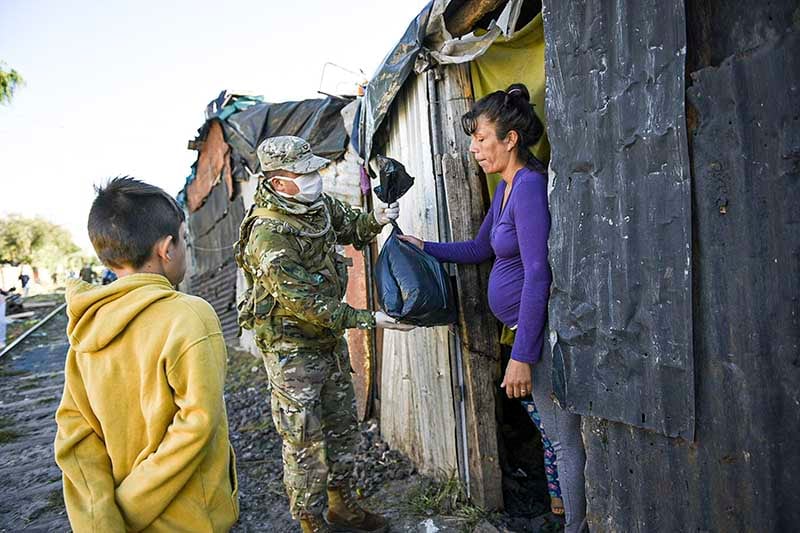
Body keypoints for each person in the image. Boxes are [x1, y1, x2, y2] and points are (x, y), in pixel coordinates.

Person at [400, 83, 586, 532]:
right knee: (549, 434)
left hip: (535, 335)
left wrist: (522, 355)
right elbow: (480, 247)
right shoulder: (504, 189)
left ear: (510, 139)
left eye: (481, 138)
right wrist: (424, 247)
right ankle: (563, 515)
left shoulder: (527, 187)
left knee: (564, 440)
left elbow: (539, 272)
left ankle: (580, 525)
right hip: (524, 331)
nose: (474, 148)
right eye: (474, 140)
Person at [236, 136, 413, 533]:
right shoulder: (268, 234)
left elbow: (350, 225)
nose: (315, 178)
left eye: (316, 170)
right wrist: (370, 320)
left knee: (340, 425)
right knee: (303, 441)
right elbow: (304, 303)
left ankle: (342, 507)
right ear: (279, 182)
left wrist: (378, 219)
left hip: (326, 340)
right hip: (290, 349)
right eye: (305, 173)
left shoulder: (314, 206)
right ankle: (310, 521)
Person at [54, 177, 239, 532]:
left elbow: (76, 438)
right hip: (192, 521)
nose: (184, 248)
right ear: (166, 248)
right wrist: (131, 507)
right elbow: (196, 425)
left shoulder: (86, 329)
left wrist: (104, 520)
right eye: (184, 240)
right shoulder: (189, 315)